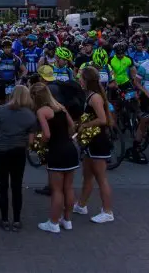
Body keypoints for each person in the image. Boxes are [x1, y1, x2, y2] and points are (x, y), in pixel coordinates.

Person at [30, 82, 78, 234]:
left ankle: (54, 222)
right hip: (70, 149)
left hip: (57, 150)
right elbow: (72, 126)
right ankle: (67, 220)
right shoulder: (61, 107)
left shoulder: (42, 111)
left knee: (57, 190)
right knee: (69, 187)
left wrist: (39, 142)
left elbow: (47, 135)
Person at [0, 86, 37, 231]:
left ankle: (4, 219)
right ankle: (16, 220)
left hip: (0, 150)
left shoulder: (0, 110)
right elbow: (31, 140)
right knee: (16, 185)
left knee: (2, 185)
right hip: (18, 151)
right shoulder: (29, 115)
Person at [73, 66, 115, 223]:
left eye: (81, 78)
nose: (79, 80)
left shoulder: (95, 97)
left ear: (87, 80)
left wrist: (85, 125)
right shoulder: (89, 95)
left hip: (98, 140)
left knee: (100, 177)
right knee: (87, 175)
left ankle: (107, 211)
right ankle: (81, 205)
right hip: (91, 141)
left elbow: (103, 119)